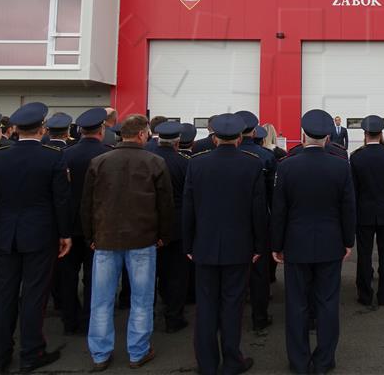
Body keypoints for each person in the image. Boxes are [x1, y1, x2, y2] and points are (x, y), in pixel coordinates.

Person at [0, 102, 72, 373]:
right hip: (41, 234)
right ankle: (31, 353)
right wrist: (65, 233)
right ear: (42, 128)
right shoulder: (53, 156)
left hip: (5, 233)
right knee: (34, 295)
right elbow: (62, 201)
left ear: (15, 129)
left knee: (3, 295)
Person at [80, 114, 174, 371]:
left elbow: (87, 204)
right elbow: (165, 205)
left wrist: (90, 236)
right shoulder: (155, 162)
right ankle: (138, 351)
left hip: (105, 238)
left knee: (101, 300)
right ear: (143, 134)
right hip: (143, 238)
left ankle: (100, 354)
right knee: (142, 299)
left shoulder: (98, 162)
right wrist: (164, 234)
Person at [271, 109, 355, 375]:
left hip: (296, 244)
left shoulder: (286, 166)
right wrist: (348, 241)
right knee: (327, 303)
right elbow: (348, 208)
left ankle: (298, 360)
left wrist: (277, 244)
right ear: (329, 137)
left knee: (296, 305)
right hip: (331, 244)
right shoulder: (341, 166)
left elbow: (279, 210)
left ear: (303, 135)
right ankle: (324, 360)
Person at [183, 113, 266, 375]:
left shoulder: (196, 164)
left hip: (204, 245)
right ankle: (232, 360)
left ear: (215, 137)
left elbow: (188, 209)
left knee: (206, 306)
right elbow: (259, 211)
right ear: (240, 137)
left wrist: (188, 245)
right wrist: (258, 246)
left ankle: (206, 363)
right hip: (239, 246)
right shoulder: (252, 164)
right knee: (233, 305)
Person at [59, 108, 112, 336]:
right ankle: (90, 320)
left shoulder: (65, 154)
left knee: (67, 278)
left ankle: (70, 320)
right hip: (97, 224)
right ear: (102, 129)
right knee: (95, 277)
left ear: (80, 130)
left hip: (69, 224)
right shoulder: (108, 154)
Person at [350, 115, 384, 307]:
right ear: (381, 133)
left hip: (363, 214)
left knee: (364, 255)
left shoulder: (356, 156)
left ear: (365, 134)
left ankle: (365, 294)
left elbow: (353, 190)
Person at [150, 121, 191, 333]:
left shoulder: (147, 157)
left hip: (149, 223)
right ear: (177, 143)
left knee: (149, 272)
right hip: (177, 224)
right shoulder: (184, 162)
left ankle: (149, 315)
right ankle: (174, 316)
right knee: (176, 274)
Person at [236, 111, 275, 332]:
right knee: (259, 273)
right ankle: (259, 317)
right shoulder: (265, 157)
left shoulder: (212, 156)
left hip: (229, 223)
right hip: (260, 221)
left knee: (232, 273)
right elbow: (272, 195)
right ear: (254, 130)